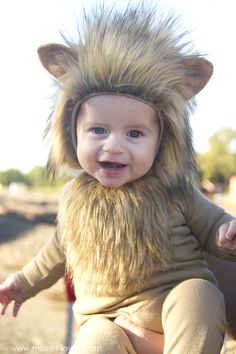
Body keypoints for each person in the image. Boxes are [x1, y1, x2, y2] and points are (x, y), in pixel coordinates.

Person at [0, 4, 236, 353]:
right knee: (94, 344)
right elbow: (56, 252)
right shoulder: (74, 198)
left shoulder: (175, 192)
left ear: (162, 142)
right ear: (72, 132)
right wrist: (22, 283)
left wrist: (227, 236)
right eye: (97, 129)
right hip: (106, 319)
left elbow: (214, 224)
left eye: (135, 134)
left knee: (200, 295)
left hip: (173, 300)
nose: (113, 146)